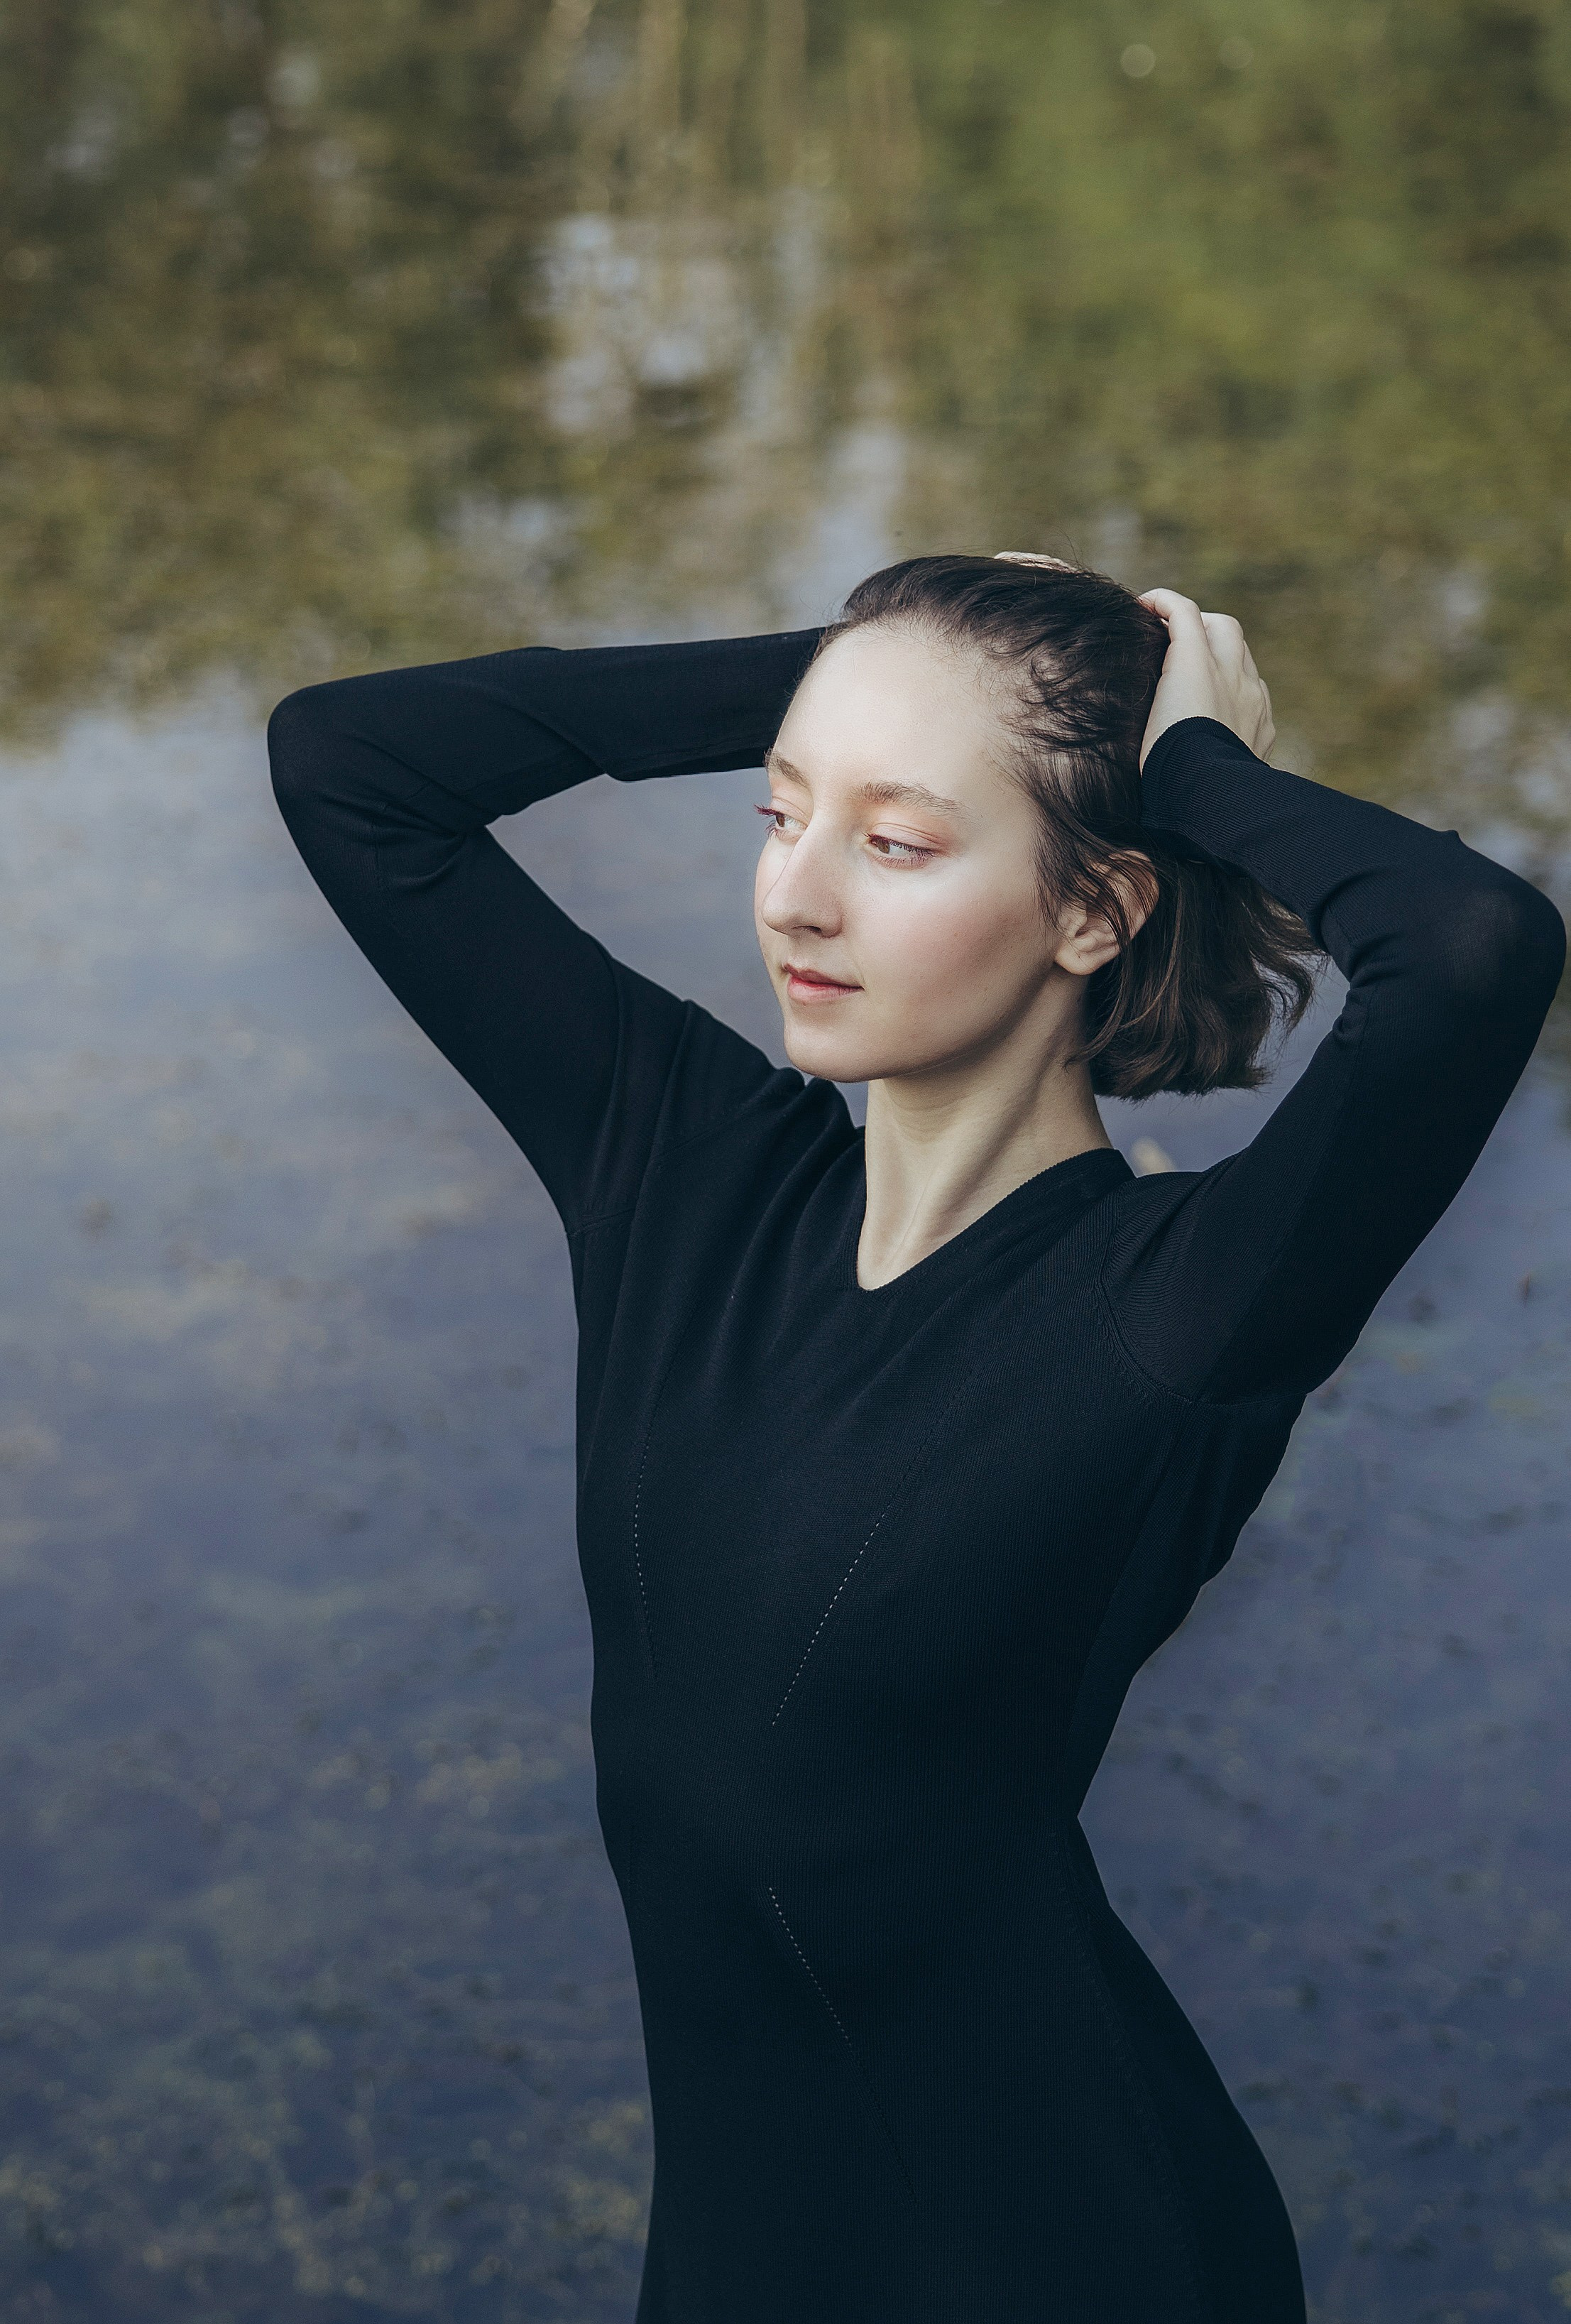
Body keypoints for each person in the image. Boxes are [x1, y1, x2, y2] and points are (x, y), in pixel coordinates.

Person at [266, 553, 1564, 2324]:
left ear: (1094, 912)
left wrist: (1191, 773)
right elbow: (350, 761)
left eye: (896, 845)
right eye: (778, 814)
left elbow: (1474, 948)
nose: (793, 900)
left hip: (1052, 2243)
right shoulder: (685, 1171)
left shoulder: (1175, 1315)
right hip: (739, 2225)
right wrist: (869, 677)